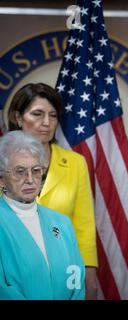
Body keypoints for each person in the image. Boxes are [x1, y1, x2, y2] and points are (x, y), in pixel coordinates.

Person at [7, 83, 97, 299]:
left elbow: (83, 224)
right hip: (12, 269)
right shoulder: (3, 160)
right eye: (37, 114)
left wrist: (89, 273)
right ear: (19, 118)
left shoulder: (75, 163)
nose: (46, 123)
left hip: (63, 272)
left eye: (53, 115)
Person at [0, 131, 85, 299]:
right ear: (2, 179)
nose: (30, 179)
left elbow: (77, 279)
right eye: (20, 171)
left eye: (36, 170)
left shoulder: (61, 222)